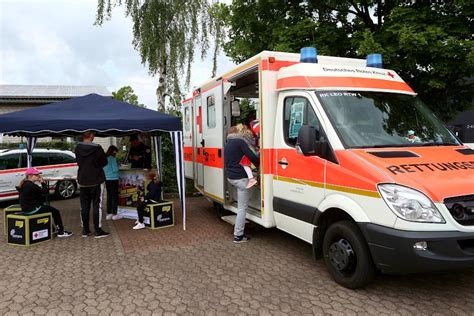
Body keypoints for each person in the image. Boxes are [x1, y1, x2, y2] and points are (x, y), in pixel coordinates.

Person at [224, 124, 260, 243]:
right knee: (242, 208)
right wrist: (259, 155)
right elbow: (253, 157)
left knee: (242, 204)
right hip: (241, 179)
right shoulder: (240, 142)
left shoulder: (228, 143)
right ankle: (238, 236)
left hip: (232, 177)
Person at [16, 167, 73, 238]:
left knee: (46, 208)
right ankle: (61, 232)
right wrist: (43, 183)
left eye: (38, 175)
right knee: (56, 212)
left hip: (26, 209)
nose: (39, 177)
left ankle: (51, 229)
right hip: (33, 209)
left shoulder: (24, 184)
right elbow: (45, 192)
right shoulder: (31, 185)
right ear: (30, 176)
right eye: (36, 175)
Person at [75, 131, 110, 238]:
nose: (94, 136)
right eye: (93, 135)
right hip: (96, 179)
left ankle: (85, 230)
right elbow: (104, 162)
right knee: (97, 205)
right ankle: (97, 230)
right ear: (90, 136)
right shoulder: (97, 148)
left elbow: (78, 161)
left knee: (84, 206)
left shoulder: (77, 148)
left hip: (83, 180)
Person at [236, 124, 258, 189]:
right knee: (247, 165)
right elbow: (254, 142)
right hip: (253, 150)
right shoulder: (249, 133)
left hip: (248, 151)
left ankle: (251, 179)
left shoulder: (241, 137)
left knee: (245, 164)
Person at [103, 145, 121, 221]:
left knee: (109, 196)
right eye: (115, 152)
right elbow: (115, 169)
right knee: (114, 197)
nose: (116, 154)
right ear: (114, 151)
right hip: (114, 179)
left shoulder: (104, 158)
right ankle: (115, 214)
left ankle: (109, 213)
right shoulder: (112, 159)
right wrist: (118, 166)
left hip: (107, 179)